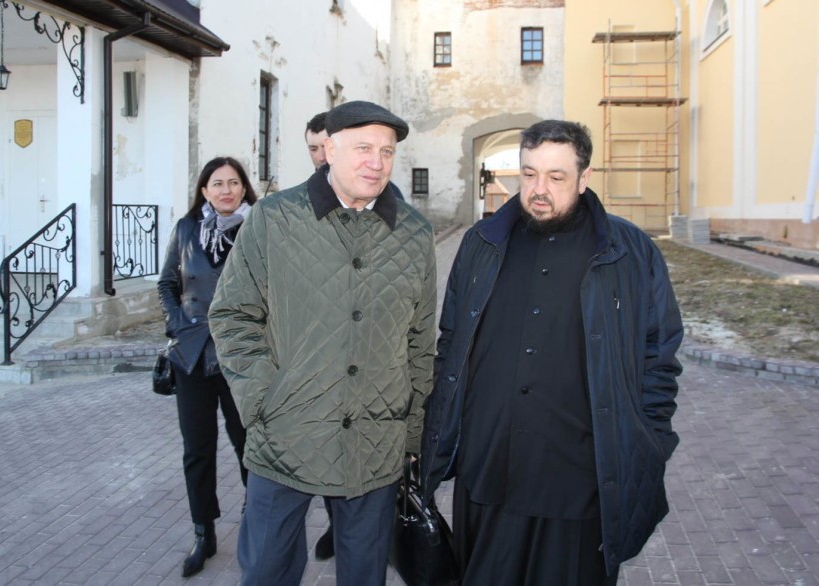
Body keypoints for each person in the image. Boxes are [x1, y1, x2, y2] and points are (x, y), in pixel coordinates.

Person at [420, 119, 684, 585]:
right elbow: (451, 344)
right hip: (488, 473)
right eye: (529, 174)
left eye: (556, 177)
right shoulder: (481, 244)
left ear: (584, 178)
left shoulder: (629, 253)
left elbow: (658, 357)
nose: (539, 189)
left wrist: (648, 443)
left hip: (578, 482)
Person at [210, 100, 437, 585]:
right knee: (267, 572)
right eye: (363, 148)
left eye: (387, 151)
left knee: (365, 576)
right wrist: (262, 401)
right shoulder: (274, 218)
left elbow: (420, 341)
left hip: (374, 444)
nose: (376, 162)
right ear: (329, 150)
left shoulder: (415, 233)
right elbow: (232, 315)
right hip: (284, 436)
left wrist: (411, 431)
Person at [157, 156, 257, 578]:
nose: (226, 190)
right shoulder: (186, 229)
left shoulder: (258, 228)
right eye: (217, 183)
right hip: (193, 357)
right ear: (204, 190)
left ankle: (255, 525)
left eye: (233, 183)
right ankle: (204, 532)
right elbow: (168, 284)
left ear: (244, 188)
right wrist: (178, 325)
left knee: (249, 446)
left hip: (241, 357)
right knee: (197, 450)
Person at [306, 110, 405, 202]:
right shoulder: (302, 198)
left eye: (324, 147)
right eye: (313, 149)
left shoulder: (392, 196)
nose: (321, 157)